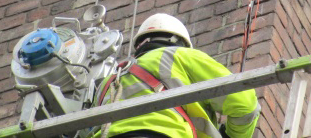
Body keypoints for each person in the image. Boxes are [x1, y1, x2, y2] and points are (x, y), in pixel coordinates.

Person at [92, 13, 261, 138]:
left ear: (139, 46)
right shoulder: (180, 56)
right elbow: (245, 103)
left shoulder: (109, 81)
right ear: (179, 42)